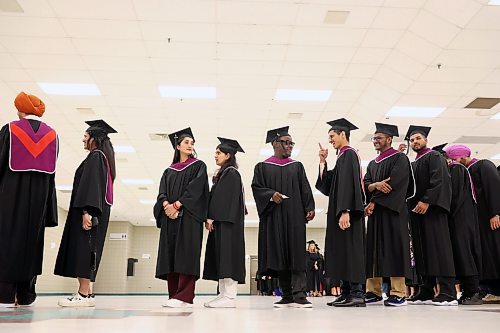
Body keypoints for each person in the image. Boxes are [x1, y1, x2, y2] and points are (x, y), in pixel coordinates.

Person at [0, 92, 58, 307]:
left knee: (7, 240)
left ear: (20, 110)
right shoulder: (52, 135)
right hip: (38, 202)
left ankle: (4, 294)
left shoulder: (10, 129)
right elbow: (51, 176)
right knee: (32, 245)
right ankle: (26, 295)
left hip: (9, 198)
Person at [251, 126, 315, 308]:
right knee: (280, 255)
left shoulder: (296, 166)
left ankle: (300, 295)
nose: (289, 146)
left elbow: (305, 188)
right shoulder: (262, 167)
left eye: (291, 143)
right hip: (274, 217)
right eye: (286, 142)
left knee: (295, 254)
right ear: (275, 144)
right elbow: (257, 188)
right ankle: (286, 295)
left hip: (294, 217)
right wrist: (271, 195)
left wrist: (309, 206)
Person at [55, 120, 116, 307]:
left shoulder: (96, 157)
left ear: (94, 138)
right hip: (97, 210)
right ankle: (88, 293)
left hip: (90, 211)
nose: (83, 139)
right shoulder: (103, 158)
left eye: (85, 136)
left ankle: (82, 294)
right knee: (90, 249)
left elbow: (91, 185)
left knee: (84, 248)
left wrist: (87, 211)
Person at [154, 128, 209, 308]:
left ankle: (185, 297)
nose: (190, 145)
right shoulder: (168, 170)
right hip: (171, 218)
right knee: (171, 255)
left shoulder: (199, 166)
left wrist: (177, 205)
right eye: (186, 142)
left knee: (186, 254)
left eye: (192, 143)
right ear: (177, 146)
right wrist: (166, 206)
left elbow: (196, 189)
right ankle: (174, 296)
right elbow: (161, 192)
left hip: (189, 218)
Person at [316, 118, 366, 307]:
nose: (330, 140)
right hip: (341, 211)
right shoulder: (342, 156)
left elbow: (348, 184)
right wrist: (322, 162)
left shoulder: (349, 154)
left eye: (332, 136)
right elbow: (329, 186)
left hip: (348, 213)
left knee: (351, 251)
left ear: (343, 134)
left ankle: (357, 294)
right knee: (343, 251)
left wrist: (345, 210)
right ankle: (346, 292)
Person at [405, 125, 456, 306]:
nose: (415, 142)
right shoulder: (414, 162)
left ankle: (448, 292)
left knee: (438, 249)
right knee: (422, 251)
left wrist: (427, 200)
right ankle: (426, 290)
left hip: (433, 210)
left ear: (425, 139)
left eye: (418, 138)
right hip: (417, 212)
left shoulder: (434, 156)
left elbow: (439, 180)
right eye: (412, 140)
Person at [363, 123, 414, 307]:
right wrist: (374, 186)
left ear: (390, 139)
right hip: (376, 214)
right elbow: (366, 184)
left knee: (395, 249)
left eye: (379, 138)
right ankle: (373, 291)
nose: (375, 141)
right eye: (374, 138)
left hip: (394, 211)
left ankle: (398, 292)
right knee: (374, 250)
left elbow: (396, 183)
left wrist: (374, 201)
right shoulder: (371, 163)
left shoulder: (400, 158)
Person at [444, 144, 500, 303]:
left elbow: (494, 188)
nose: (452, 163)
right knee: (484, 256)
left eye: (453, 159)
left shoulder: (483, 165)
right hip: (478, 221)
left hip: (490, 218)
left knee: (494, 253)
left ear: (461, 156)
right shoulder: (464, 171)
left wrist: (495, 212)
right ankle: (490, 289)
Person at [431, 144, 482, 305]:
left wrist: (442, 208)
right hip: (456, 219)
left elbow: (455, 196)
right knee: (460, 255)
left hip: (462, 219)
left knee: (465, 253)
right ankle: (467, 291)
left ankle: (473, 291)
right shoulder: (450, 170)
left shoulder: (457, 169)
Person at [203, 137, 246, 308]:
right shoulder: (224, 173)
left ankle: (229, 297)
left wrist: (212, 216)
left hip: (228, 223)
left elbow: (224, 199)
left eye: (218, 153)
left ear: (228, 155)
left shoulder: (231, 173)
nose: (215, 155)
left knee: (228, 258)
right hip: (223, 222)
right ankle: (223, 294)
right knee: (221, 258)